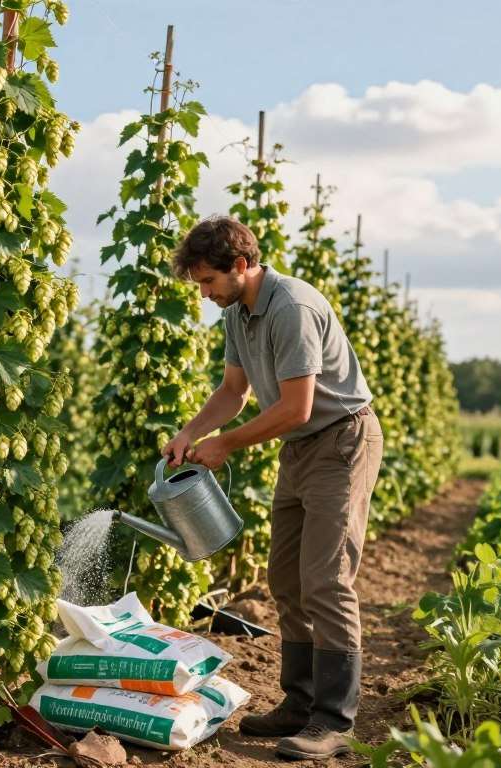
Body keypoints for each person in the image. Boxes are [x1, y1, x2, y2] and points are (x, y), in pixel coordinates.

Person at [162, 216, 383, 761]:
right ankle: (299, 703)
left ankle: (334, 721)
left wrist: (227, 445)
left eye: (209, 282)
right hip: (301, 447)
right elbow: (233, 391)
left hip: (341, 441)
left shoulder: (292, 307)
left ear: (241, 264)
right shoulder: (238, 314)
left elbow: (297, 406)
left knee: (326, 580)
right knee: (285, 577)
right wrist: (191, 432)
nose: (205, 294)